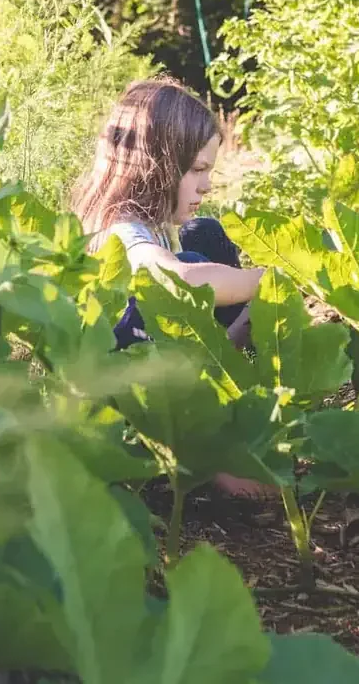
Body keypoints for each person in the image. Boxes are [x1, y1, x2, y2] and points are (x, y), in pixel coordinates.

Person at [71, 78, 271, 498]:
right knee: (192, 266)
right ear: (155, 165)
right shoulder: (121, 231)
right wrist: (265, 280)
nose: (207, 185)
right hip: (130, 396)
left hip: (158, 372)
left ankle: (229, 392)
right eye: (197, 170)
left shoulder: (151, 228)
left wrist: (242, 325)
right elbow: (176, 281)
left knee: (204, 236)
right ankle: (205, 458)